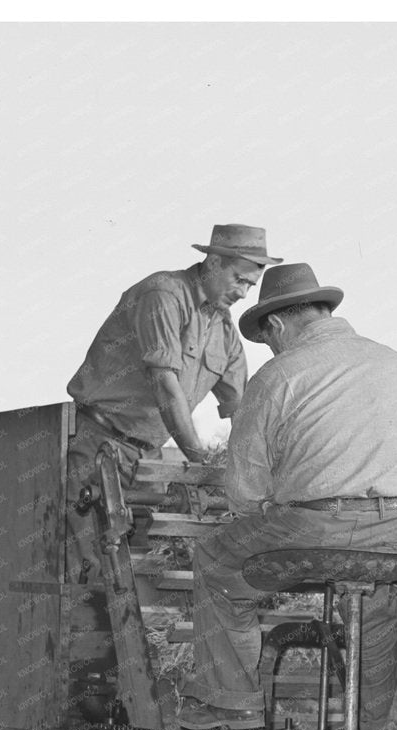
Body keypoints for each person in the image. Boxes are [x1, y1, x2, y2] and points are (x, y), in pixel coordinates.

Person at [178, 263, 397, 730]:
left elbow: (245, 492)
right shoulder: (392, 360)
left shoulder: (278, 374)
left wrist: (276, 501)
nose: (271, 348)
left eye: (268, 339)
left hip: (322, 531)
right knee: (372, 602)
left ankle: (231, 703)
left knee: (215, 562)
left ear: (276, 324)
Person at [63, 224, 282, 579]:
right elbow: (164, 384)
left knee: (142, 568)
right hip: (97, 443)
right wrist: (200, 463)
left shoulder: (224, 332)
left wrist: (260, 471)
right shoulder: (163, 295)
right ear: (212, 262)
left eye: (250, 286)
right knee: (88, 565)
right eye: (239, 280)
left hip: (149, 457)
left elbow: (242, 412)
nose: (243, 293)